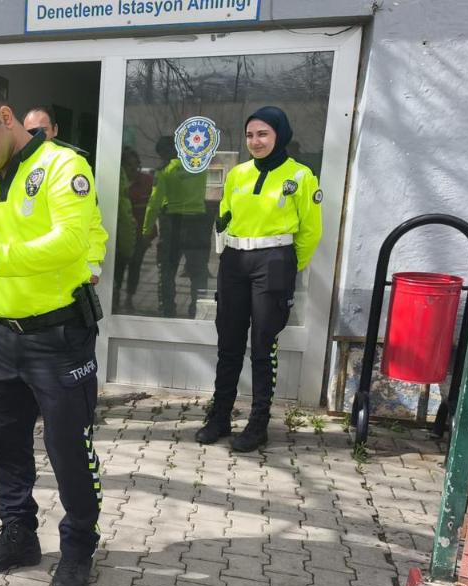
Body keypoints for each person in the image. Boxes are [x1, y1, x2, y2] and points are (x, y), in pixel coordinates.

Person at [0, 82, 105, 586]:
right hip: (3, 336)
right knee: (7, 445)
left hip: (59, 337)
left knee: (69, 449)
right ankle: (19, 535)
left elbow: (71, 242)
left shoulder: (64, 166)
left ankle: (78, 547)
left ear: (6, 116)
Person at [195, 107, 322, 451]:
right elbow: (225, 215)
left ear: (280, 135)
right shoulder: (238, 174)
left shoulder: (301, 177)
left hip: (274, 261)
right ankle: (220, 416)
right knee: (229, 343)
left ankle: (258, 423)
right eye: (250, 135)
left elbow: (311, 231)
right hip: (235, 261)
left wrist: (289, 267)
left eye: (263, 134)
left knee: (264, 345)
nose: (255, 141)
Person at [23, 106, 112, 288]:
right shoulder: (17, 168)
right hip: (28, 274)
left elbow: (91, 221)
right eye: (31, 132)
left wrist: (92, 264)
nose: (37, 137)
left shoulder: (69, 164)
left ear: (55, 130)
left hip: (65, 275)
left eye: (42, 131)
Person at [142, 135, 210, 318]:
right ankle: (197, 310)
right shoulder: (200, 166)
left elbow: (154, 203)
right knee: (198, 271)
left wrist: (146, 229)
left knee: (167, 270)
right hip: (197, 222)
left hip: (172, 223)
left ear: (165, 153)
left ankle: (167, 310)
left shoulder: (165, 171)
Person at [117, 147, 154, 312]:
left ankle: (129, 298)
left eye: (135, 165)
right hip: (120, 233)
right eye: (128, 165)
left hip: (140, 233)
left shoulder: (147, 181)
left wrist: (148, 234)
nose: (132, 168)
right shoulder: (116, 180)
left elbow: (153, 207)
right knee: (118, 267)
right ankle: (114, 297)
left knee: (135, 266)